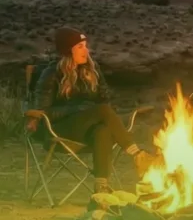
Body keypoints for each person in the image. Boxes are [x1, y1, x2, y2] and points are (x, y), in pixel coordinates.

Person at [28, 26, 152, 195]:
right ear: (67, 51)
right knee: (102, 111)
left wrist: (92, 111)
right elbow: (43, 111)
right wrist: (78, 109)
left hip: (86, 128)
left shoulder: (92, 70)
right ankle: (138, 154)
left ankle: (101, 187)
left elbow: (104, 99)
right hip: (59, 129)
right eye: (80, 47)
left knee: (103, 130)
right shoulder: (51, 73)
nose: (86, 50)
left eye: (85, 45)